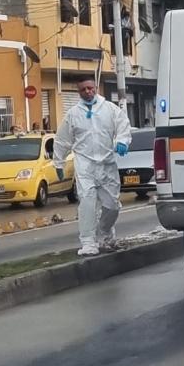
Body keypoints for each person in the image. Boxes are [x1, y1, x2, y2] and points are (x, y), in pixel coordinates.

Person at [54, 78, 132, 256]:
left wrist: (122, 141)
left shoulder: (110, 109)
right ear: (78, 92)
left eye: (90, 88)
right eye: (83, 89)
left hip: (107, 164)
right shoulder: (73, 114)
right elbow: (62, 140)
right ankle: (88, 242)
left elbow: (123, 126)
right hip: (85, 165)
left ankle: (105, 232)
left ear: (95, 88)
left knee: (112, 205)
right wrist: (58, 162)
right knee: (87, 203)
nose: (87, 92)